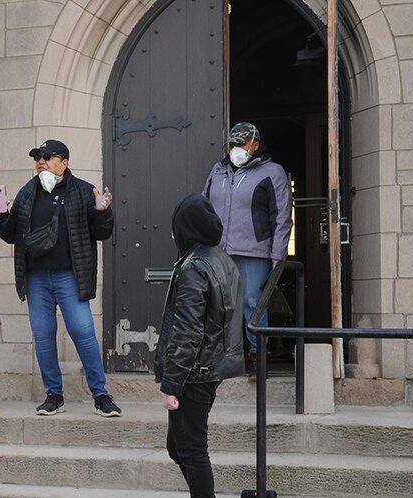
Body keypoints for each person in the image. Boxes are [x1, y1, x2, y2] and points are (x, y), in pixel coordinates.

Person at [0, 139, 122, 417]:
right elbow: (13, 235)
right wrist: (0, 217)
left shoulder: (84, 191)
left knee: (83, 333)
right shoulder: (28, 192)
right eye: (38, 156)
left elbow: (102, 233)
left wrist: (102, 211)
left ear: (64, 163)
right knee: (43, 336)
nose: (41, 160)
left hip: (69, 276)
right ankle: (54, 395)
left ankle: (101, 395)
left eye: (48, 156)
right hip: (37, 278)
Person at [155, 193, 244, 498]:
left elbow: (188, 331)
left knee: (191, 451)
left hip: (194, 373)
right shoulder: (219, 258)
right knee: (177, 447)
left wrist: (171, 384)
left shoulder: (194, 267)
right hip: (207, 367)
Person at [202, 122, 292, 378]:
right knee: (220, 304)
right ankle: (225, 357)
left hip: (254, 251)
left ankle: (257, 356)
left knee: (252, 301)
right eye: (233, 144)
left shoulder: (272, 172)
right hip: (219, 250)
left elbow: (282, 216)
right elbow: (204, 205)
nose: (236, 149)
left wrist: (278, 253)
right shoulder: (218, 171)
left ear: (255, 144)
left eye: (242, 144)